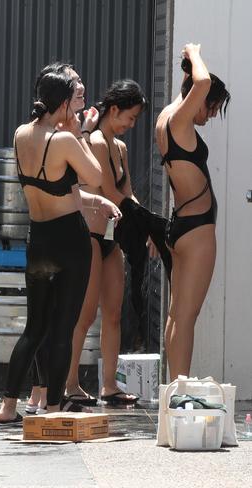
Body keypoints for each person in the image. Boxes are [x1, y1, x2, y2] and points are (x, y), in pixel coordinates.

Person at [0, 63, 121, 424]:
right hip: (69, 240)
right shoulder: (64, 140)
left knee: (34, 329)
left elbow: (67, 187)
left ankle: (6, 408)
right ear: (63, 103)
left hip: (38, 238)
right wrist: (80, 133)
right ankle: (51, 408)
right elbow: (95, 177)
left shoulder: (21, 134)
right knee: (62, 328)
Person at [63, 79, 153, 406]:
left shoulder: (120, 147)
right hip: (90, 234)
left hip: (112, 238)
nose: (131, 124)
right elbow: (108, 192)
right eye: (129, 117)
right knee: (85, 315)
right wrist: (148, 224)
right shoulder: (97, 140)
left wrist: (147, 225)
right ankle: (69, 382)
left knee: (113, 312)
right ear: (113, 110)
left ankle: (109, 385)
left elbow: (127, 193)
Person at [154, 43, 230, 380]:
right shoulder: (182, 121)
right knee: (186, 317)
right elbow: (200, 85)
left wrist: (188, 67)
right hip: (196, 231)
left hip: (179, 228)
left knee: (176, 316)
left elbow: (193, 85)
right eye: (211, 108)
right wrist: (195, 52)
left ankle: (175, 390)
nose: (210, 115)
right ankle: (180, 394)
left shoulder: (166, 117)